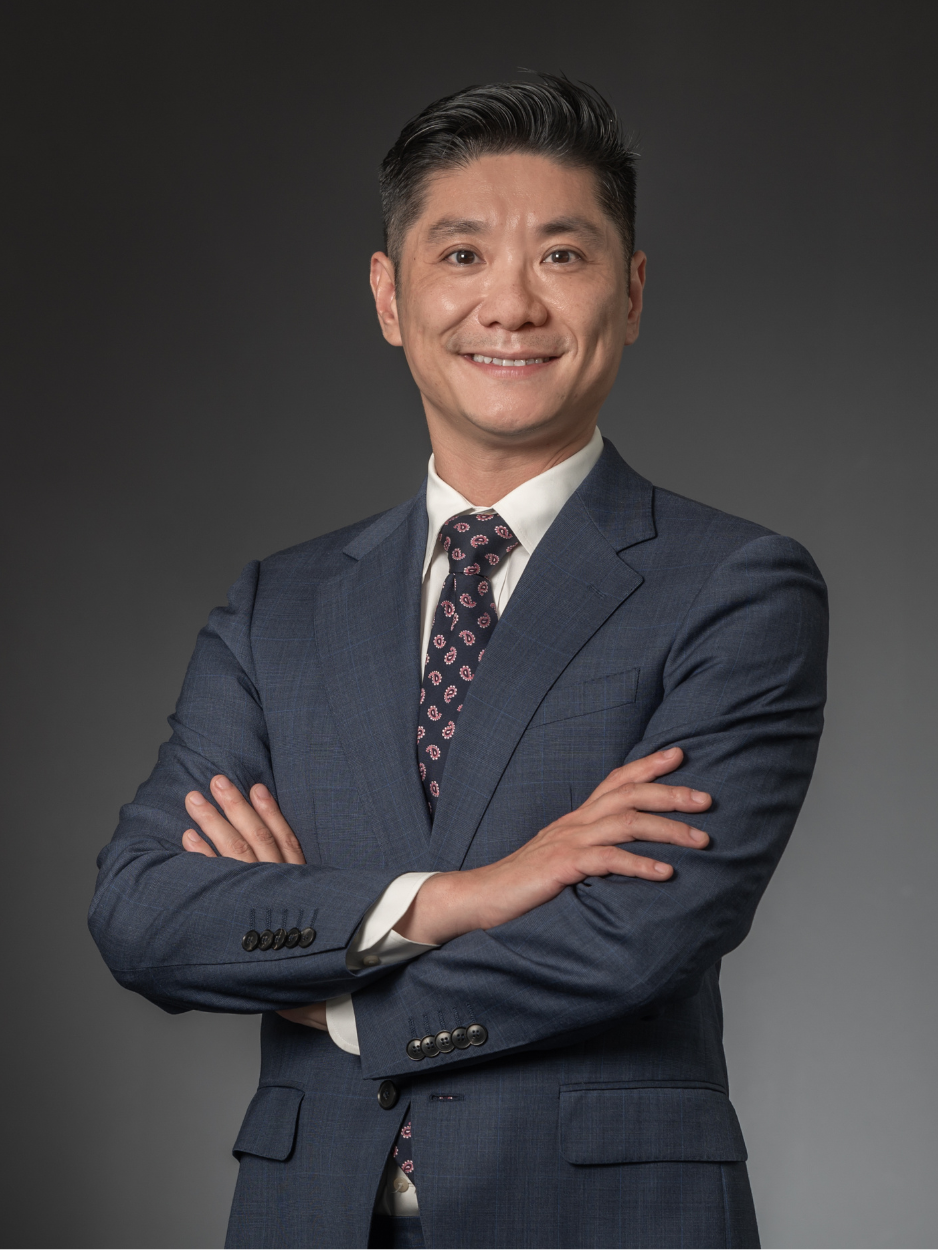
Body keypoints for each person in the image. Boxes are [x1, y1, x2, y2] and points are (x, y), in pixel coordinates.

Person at [89, 75, 827, 1250]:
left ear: (631, 292)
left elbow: (632, 933)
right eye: (463, 255)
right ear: (390, 296)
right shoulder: (278, 605)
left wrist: (325, 974)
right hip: (305, 1216)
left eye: (562, 256)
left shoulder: (733, 586)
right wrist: (454, 898)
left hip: (605, 1221)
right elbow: (142, 911)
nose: (512, 304)